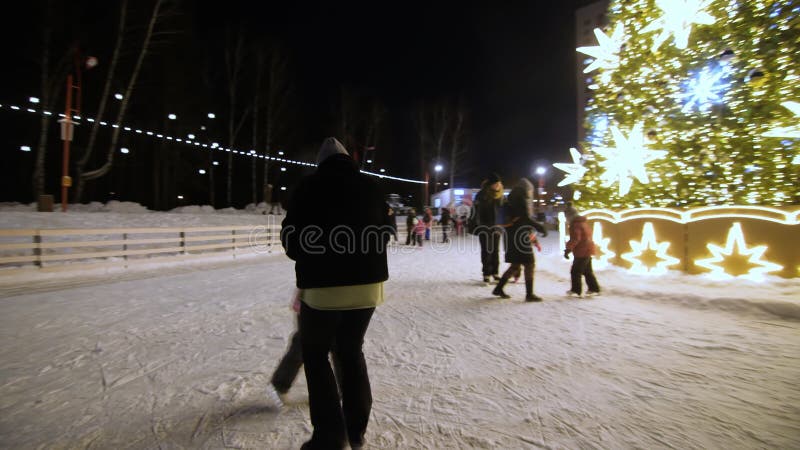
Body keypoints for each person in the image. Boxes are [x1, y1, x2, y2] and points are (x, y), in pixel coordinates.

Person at [281, 137, 391, 449]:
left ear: (321, 162)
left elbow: (291, 239)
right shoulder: (371, 186)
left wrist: (312, 254)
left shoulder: (308, 187)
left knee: (316, 354)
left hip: (323, 289)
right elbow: (386, 230)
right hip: (368, 288)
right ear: (348, 160)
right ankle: (355, 432)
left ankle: (330, 436)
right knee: (350, 350)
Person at [492, 178, 547, 301]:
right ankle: (529, 294)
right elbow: (525, 218)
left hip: (512, 236)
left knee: (515, 265)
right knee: (529, 263)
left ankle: (498, 288)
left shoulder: (511, 198)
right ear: (528, 190)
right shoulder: (521, 199)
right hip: (520, 236)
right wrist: (540, 227)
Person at [473, 173, 505, 283]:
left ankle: (495, 272)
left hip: (497, 227)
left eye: (499, 183)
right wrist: (478, 225)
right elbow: (476, 211)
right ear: (490, 184)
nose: (497, 186)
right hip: (484, 226)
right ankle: (486, 273)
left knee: (495, 250)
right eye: (495, 184)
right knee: (486, 251)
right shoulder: (482, 195)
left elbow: (504, 211)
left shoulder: (501, 195)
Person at [564, 215, 600, 297]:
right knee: (587, 271)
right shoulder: (584, 223)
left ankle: (576, 291)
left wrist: (568, 250)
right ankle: (594, 289)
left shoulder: (575, 226)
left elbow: (576, 238)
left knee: (575, 271)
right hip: (588, 249)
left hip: (582, 251)